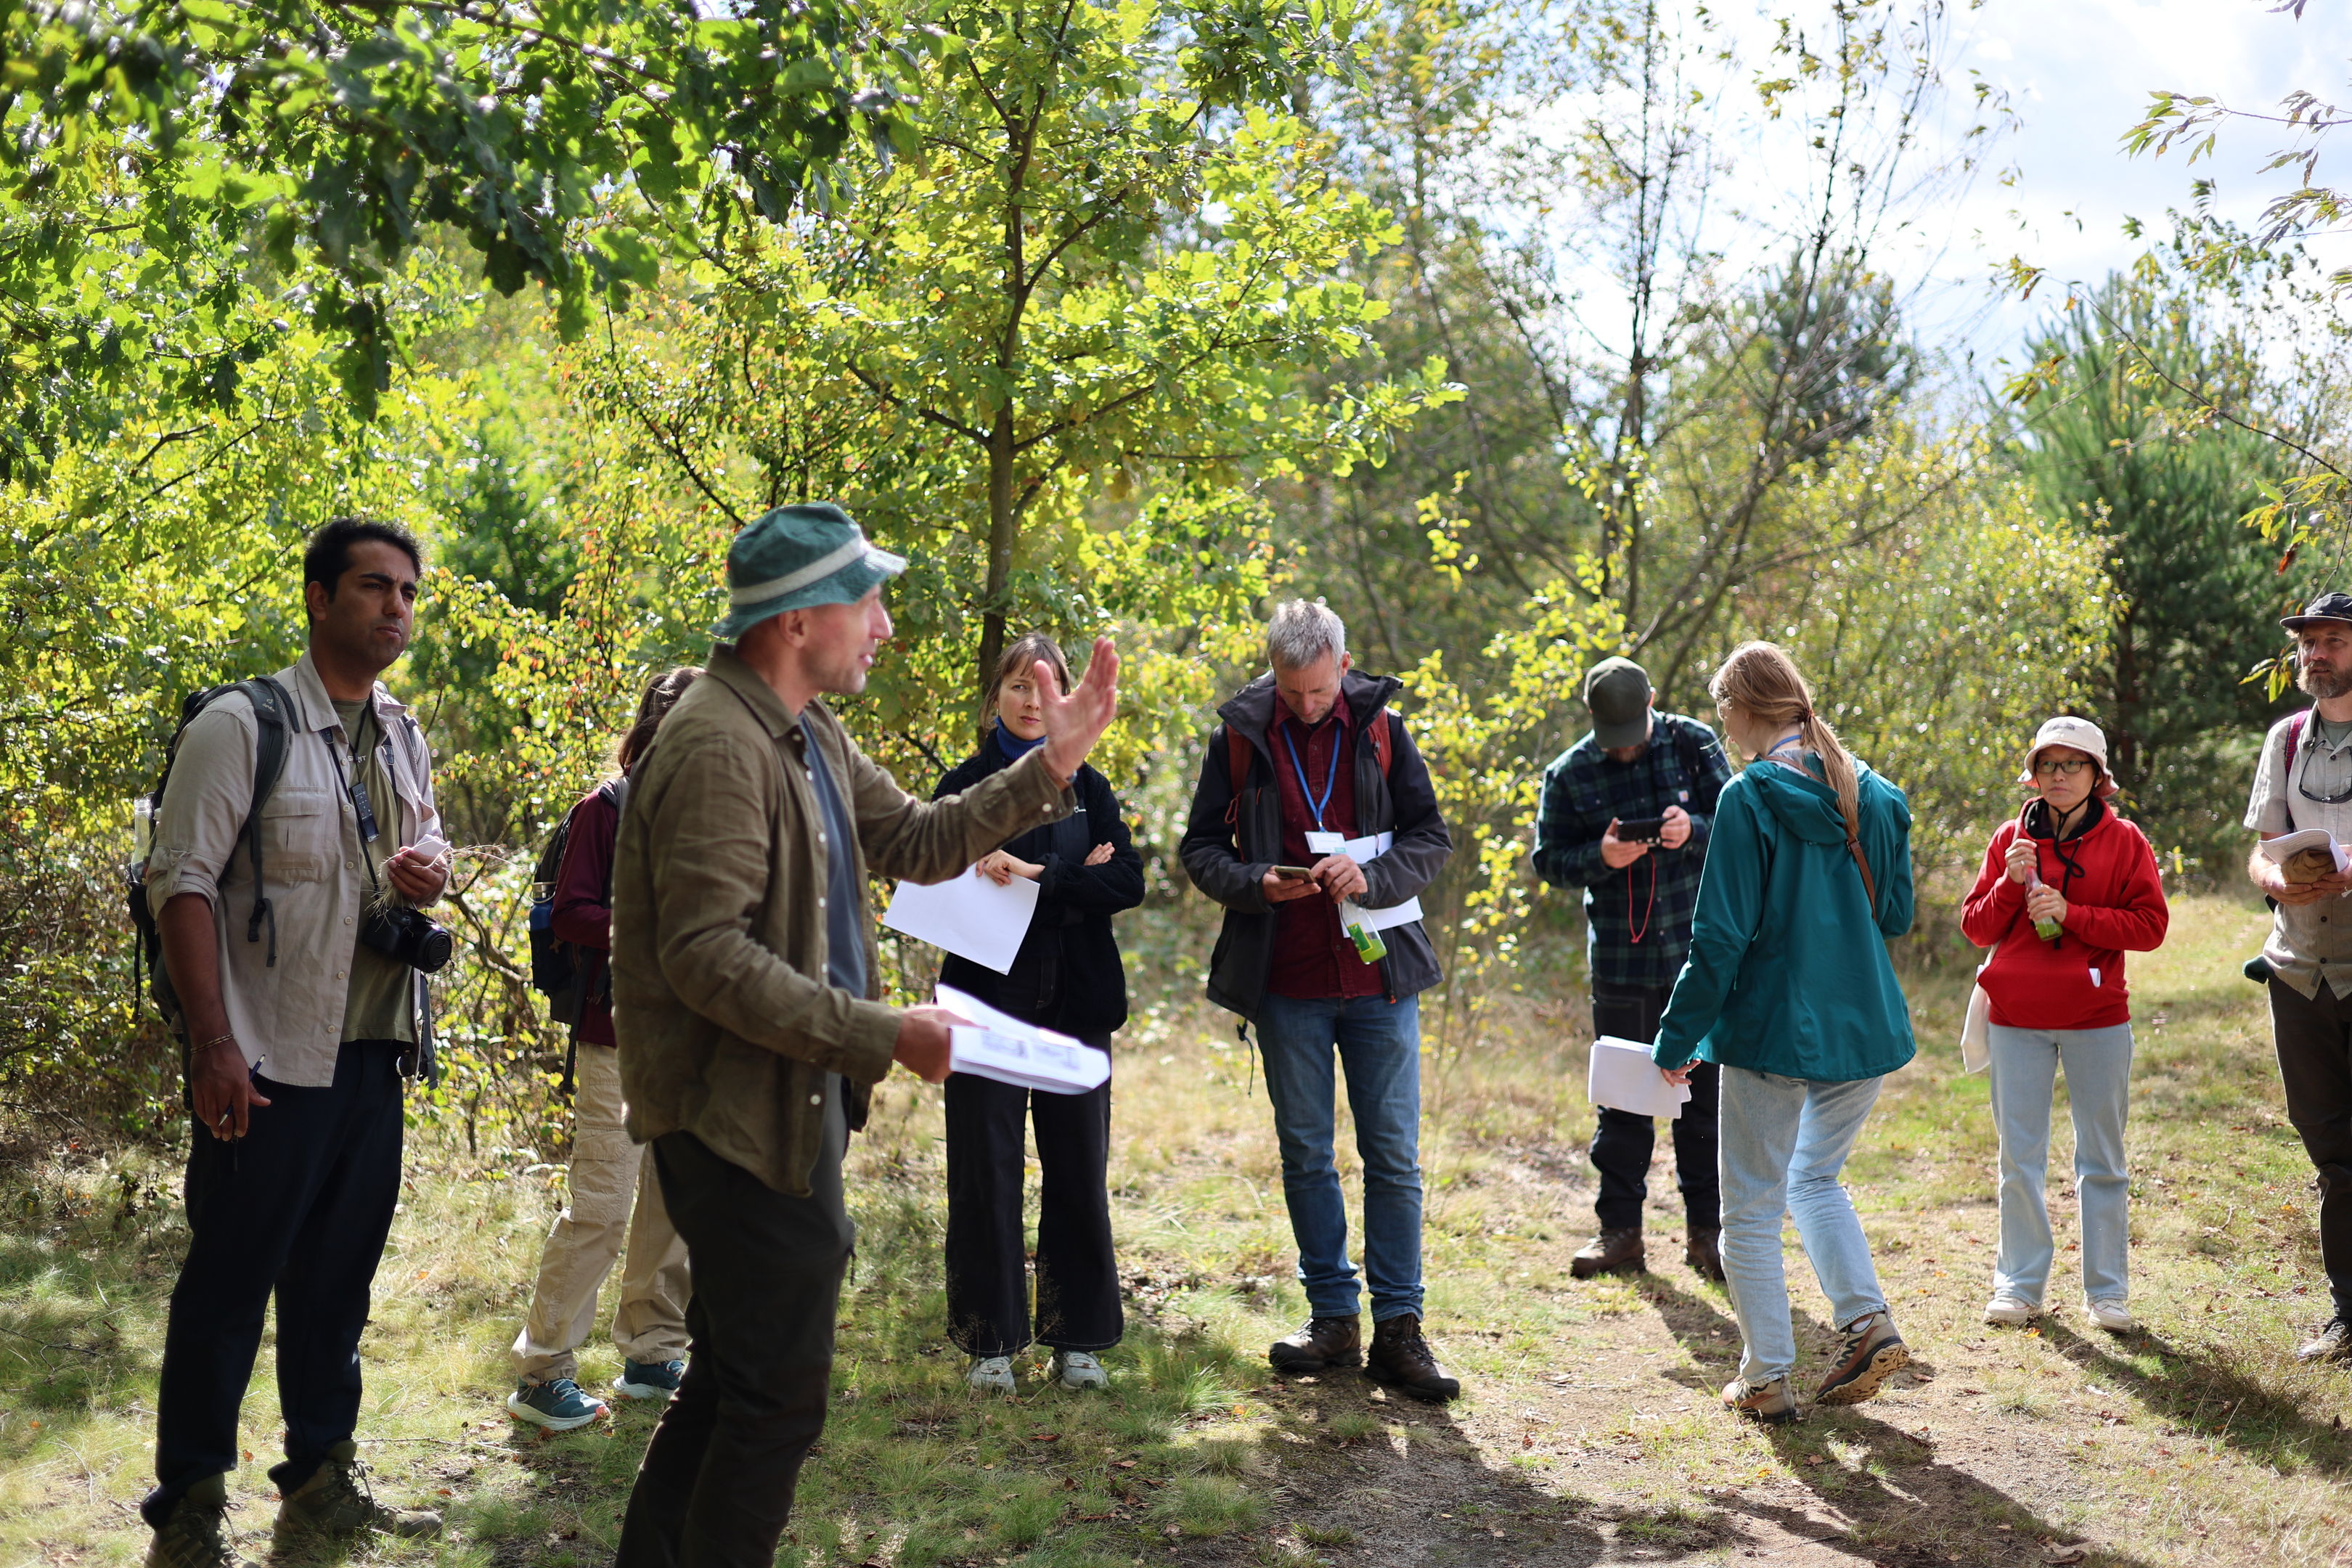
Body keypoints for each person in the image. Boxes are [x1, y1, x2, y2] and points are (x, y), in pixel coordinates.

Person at [609, 503, 1122, 1568]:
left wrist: (1051, 768)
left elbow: (921, 841)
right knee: (777, 1404)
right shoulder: (714, 742)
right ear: (799, 621)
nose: (884, 626)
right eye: (869, 602)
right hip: (730, 1123)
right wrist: (884, 1032)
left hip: (787, 1110)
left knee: (733, 1383)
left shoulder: (808, 735)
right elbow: (708, 957)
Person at [139, 518, 449, 1567]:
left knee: (336, 1286)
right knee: (230, 1284)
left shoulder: (401, 731)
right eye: (373, 587)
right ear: (319, 598)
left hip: (374, 1052)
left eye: (408, 592)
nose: (395, 608)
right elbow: (181, 883)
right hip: (267, 1058)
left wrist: (431, 869)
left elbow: (425, 837)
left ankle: (321, 1476)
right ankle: (189, 1506)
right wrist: (212, 1044)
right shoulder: (242, 724)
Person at [1178, 599, 1458, 1401]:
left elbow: (1430, 837)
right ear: (1273, 670)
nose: (1306, 704)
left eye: (1319, 689)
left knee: (1393, 1156)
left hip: (1379, 979)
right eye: (1291, 690)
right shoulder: (1238, 738)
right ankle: (1332, 1318)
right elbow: (1200, 849)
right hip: (1286, 983)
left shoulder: (1383, 730)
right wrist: (1253, 883)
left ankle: (1400, 1328)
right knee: (1306, 1153)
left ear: (1343, 664)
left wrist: (1373, 875)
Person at [1649, 641, 1916, 1424]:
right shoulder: (1875, 793)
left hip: (1774, 1032)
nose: (1722, 724)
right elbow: (1895, 914)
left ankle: (1766, 1379)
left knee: (1751, 1213)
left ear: (1742, 708)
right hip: (1861, 1024)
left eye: (1722, 709)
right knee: (1815, 1179)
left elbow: (1719, 939)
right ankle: (1866, 1323)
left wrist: (1676, 1038)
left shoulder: (1749, 797)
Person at [930, 632, 1143, 1395]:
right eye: (1018, 685)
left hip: (1077, 1003)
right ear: (996, 695)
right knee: (984, 1171)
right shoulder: (965, 785)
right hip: (985, 1003)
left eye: (1043, 687)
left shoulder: (1090, 784)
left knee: (1078, 1167)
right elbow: (933, 881)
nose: (1030, 701)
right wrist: (1075, 878)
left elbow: (1127, 881)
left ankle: (1075, 1340)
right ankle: (990, 1345)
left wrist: (1035, 874)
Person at [507, 669, 702, 1431]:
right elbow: (572, 913)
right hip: (616, 1036)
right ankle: (542, 1372)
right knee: (602, 1204)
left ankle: (652, 1353)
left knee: (671, 1203)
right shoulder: (606, 807)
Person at [1961, 716, 2168, 1334]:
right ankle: (2018, 1286)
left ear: (2097, 776)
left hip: (2096, 1017)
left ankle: (2107, 1294)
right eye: (2047, 764)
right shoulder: (2011, 838)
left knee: (2101, 1159)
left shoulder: (2125, 841)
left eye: (2072, 764)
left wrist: (2072, 914)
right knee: (2018, 1159)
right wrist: (2010, 883)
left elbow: (2150, 927)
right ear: (2034, 774)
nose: (2058, 775)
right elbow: (1976, 927)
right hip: (2016, 1018)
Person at [1532, 656, 1734, 1281]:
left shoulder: (1694, 744)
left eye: (1631, 733)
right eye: (1610, 737)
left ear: (1651, 701)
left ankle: (1709, 1236)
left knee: (1703, 1102)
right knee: (1621, 1104)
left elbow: (1741, 826)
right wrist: (1600, 856)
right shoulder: (1568, 773)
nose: (1622, 748)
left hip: (1699, 958)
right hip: (1621, 963)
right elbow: (1548, 861)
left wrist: (1692, 829)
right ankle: (1620, 1234)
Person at [2244, 589, 2352, 1365]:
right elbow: (2262, 849)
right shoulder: (2284, 740)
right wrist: (2278, 881)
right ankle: (2348, 1312)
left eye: (2334, 640)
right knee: (2331, 1149)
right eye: (2309, 643)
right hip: (2298, 973)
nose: (2316, 654)